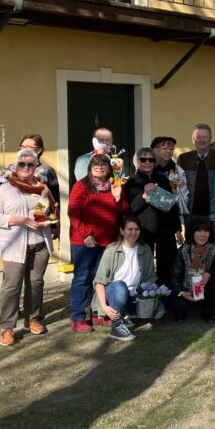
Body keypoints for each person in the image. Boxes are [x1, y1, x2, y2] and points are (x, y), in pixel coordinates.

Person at [0, 148, 56, 346]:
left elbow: (47, 213)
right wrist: (14, 219)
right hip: (14, 245)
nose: (26, 167)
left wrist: (47, 220)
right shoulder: (4, 189)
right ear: (15, 167)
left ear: (36, 167)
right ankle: (7, 328)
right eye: (22, 164)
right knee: (12, 286)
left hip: (39, 244)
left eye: (30, 164)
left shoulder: (42, 189)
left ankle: (32, 319)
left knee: (36, 283)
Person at [67, 153, 129, 333]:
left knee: (101, 279)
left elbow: (124, 210)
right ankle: (78, 316)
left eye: (103, 164)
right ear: (90, 167)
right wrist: (85, 234)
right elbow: (73, 213)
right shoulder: (82, 185)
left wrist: (118, 196)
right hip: (85, 241)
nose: (100, 167)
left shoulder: (114, 185)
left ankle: (98, 313)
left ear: (109, 168)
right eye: (96, 164)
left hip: (107, 240)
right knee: (82, 278)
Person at [123, 146, 183, 286]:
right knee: (144, 266)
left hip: (166, 229)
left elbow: (172, 205)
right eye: (143, 159)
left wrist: (178, 228)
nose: (147, 162)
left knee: (168, 264)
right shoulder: (131, 182)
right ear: (137, 161)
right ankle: (146, 298)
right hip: (144, 231)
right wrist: (143, 196)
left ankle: (166, 297)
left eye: (151, 159)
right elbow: (129, 210)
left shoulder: (162, 180)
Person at [92, 215, 158, 341]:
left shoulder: (146, 249)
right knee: (120, 286)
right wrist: (104, 306)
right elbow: (99, 282)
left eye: (136, 229)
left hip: (135, 295)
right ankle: (116, 326)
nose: (133, 233)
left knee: (159, 310)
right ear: (122, 231)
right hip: (114, 292)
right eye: (130, 229)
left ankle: (126, 314)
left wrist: (149, 297)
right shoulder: (111, 250)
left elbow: (150, 278)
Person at [171, 217, 215, 323]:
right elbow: (175, 277)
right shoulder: (183, 250)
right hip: (186, 288)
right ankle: (182, 310)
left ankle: (207, 311)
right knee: (179, 307)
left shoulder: (214, 249)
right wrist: (182, 292)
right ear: (192, 232)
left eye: (206, 231)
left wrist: (209, 273)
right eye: (198, 230)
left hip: (205, 288)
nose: (203, 234)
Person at [176, 123, 215, 221]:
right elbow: (178, 189)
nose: (202, 140)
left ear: (210, 139)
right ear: (193, 140)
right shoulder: (183, 159)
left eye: (205, 137)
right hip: (190, 215)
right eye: (198, 137)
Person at [0, 134, 60, 202]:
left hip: (38, 210)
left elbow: (55, 200)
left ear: (39, 150)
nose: (24, 149)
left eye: (28, 147)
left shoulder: (47, 170)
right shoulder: (9, 169)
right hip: (11, 211)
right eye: (22, 146)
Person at [151, 136, 190, 223]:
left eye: (171, 148)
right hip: (152, 218)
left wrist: (182, 186)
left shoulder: (178, 171)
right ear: (154, 150)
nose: (169, 151)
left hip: (171, 220)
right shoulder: (147, 167)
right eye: (164, 148)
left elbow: (184, 202)